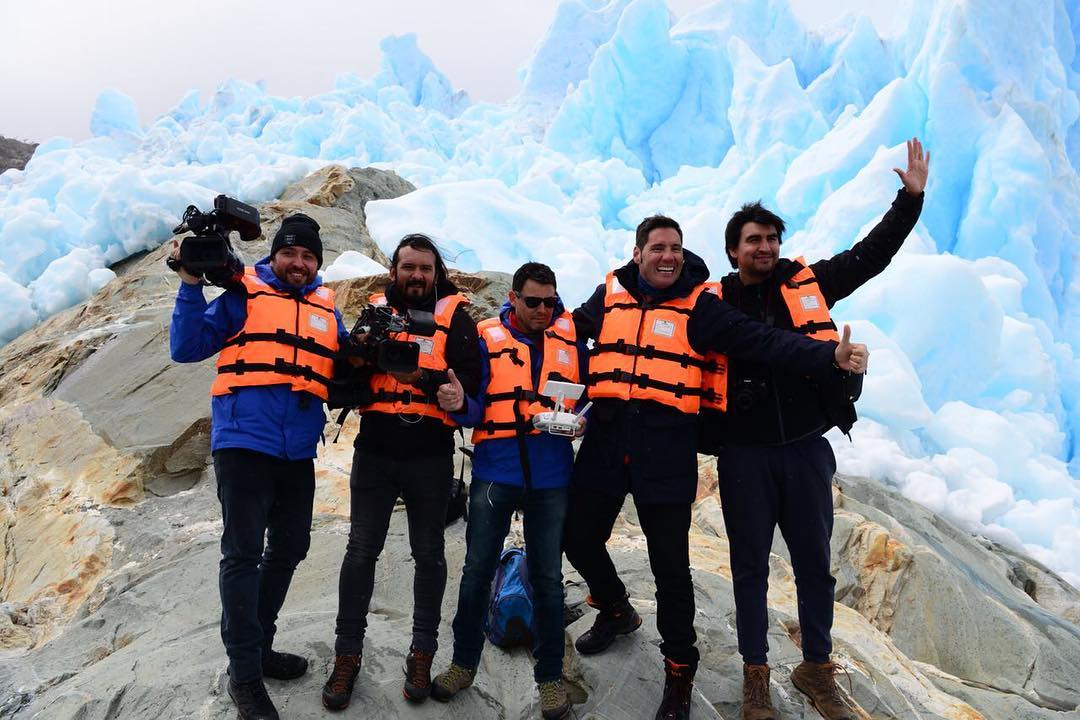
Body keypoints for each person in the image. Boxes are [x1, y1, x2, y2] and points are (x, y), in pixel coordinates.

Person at [563, 215, 868, 720]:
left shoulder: (701, 306)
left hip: (665, 454)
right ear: (637, 253)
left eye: (676, 248)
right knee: (576, 537)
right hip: (607, 446)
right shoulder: (610, 293)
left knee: (670, 570)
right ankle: (615, 608)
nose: (668, 256)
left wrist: (826, 357)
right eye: (657, 248)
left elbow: (761, 340)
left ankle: (680, 671)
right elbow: (565, 335)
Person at [700, 138, 929, 720]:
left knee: (814, 567)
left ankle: (816, 668)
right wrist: (827, 357)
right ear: (733, 250)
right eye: (753, 240)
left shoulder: (808, 284)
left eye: (772, 239)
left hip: (806, 450)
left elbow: (869, 256)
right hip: (745, 454)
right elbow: (763, 345)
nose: (765, 247)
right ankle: (756, 674)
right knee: (750, 569)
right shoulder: (715, 304)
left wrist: (909, 201)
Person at [169, 213, 348, 720]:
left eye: (308, 256)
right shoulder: (243, 294)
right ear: (274, 255)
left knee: (291, 546)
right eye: (289, 253)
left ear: (317, 263)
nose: (298, 263)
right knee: (243, 554)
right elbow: (186, 347)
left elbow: (346, 369)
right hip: (244, 442)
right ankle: (244, 674)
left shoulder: (326, 310)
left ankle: (259, 645)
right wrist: (189, 284)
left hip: (297, 450)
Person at [322, 234, 482, 711]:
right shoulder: (374, 314)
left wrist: (430, 383)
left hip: (430, 455)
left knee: (429, 554)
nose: (416, 275)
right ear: (394, 270)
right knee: (360, 552)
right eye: (408, 267)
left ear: (436, 273)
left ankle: (422, 654)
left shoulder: (456, 319)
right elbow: (340, 381)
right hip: (375, 450)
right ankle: (347, 655)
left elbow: (473, 386)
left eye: (425, 268)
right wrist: (360, 351)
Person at [428, 262, 588, 720]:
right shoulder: (485, 338)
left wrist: (583, 422)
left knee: (548, 578)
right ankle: (462, 665)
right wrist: (459, 404)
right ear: (513, 297)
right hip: (496, 471)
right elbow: (474, 406)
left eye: (550, 302)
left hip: (551, 475)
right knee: (477, 571)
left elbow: (590, 396)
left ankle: (550, 678)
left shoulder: (570, 340)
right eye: (533, 301)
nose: (542, 310)